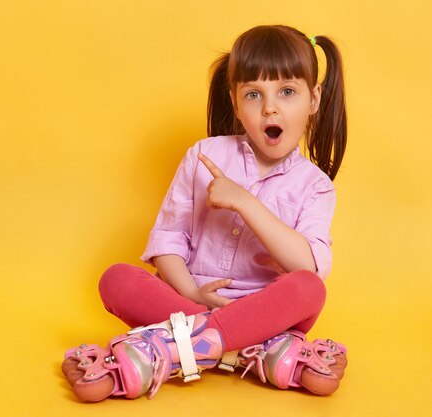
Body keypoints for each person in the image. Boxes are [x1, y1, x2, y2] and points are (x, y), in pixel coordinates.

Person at [62, 25, 348, 402]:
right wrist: (191, 291)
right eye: (253, 94)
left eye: (287, 92)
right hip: (188, 298)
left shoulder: (316, 186)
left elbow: (306, 267)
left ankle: (164, 348)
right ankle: (260, 350)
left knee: (309, 289)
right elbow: (169, 238)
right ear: (235, 103)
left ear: (313, 100)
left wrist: (246, 202)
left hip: (268, 310)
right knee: (116, 279)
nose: (270, 107)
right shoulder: (203, 155)